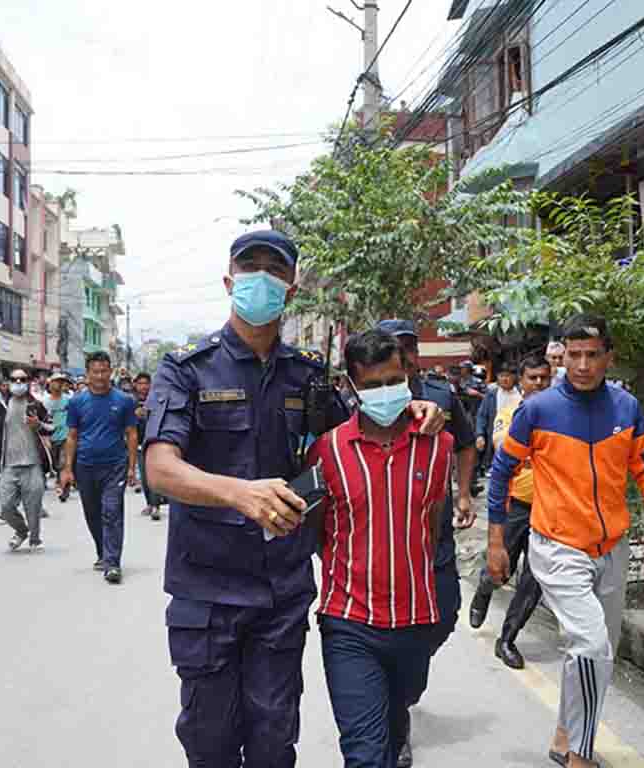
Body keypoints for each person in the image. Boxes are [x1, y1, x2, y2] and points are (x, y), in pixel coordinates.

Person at [144, 231, 442, 768]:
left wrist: (419, 415)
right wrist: (239, 494)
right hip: (206, 592)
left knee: (274, 741)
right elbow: (160, 468)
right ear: (229, 281)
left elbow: (362, 436)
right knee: (209, 742)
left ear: (292, 288)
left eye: (274, 269)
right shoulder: (186, 370)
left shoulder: (308, 375)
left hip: (279, 592)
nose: (261, 277)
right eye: (250, 266)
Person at [487, 314, 644, 768]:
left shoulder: (625, 408)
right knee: (590, 647)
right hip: (556, 546)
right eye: (574, 355)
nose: (583, 364)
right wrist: (496, 540)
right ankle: (582, 757)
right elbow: (503, 470)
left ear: (609, 356)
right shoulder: (538, 410)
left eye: (592, 355)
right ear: (562, 355)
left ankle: (564, 736)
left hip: (611, 549)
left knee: (592, 653)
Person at [310, 330, 454, 768]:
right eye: (371, 385)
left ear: (408, 374)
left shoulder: (438, 445)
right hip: (349, 625)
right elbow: (320, 534)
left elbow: (431, 524)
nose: (384, 392)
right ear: (351, 388)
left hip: (415, 623)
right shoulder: (328, 450)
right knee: (366, 757)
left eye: (392, 380)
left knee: (392, 740)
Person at [375, 318, 477, 768]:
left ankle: (407, 684)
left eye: (408, 346)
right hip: (385, 537)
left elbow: (468, 443)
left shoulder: (439, 394)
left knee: (446, 612)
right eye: (393, 347)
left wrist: (463, 491)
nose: (403, 354)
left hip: (434, 533)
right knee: (392, 634)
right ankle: (395, 730)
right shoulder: (365, 396)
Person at [468, 354, 552, 669]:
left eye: (545, 378)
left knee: (534, 578)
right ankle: (484, 589)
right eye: (533, 378)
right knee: (500, 568)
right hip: (515, 504)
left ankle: (507, 639)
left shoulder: (563, 415)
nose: (540, 384)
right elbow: (503, 445)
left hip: (549, 511)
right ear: (521, 381)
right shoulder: (509, 413)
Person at [60, 351, 138, 584]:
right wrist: (67, 468)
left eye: (105, 370)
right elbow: (72, 436)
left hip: (115, 465)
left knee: (112, 511)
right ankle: (103, 553)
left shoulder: (124, 401)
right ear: (88, 373)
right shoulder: (76, 402)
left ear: (110, 371)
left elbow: (132, 434)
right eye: (96, 371)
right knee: (92, 513)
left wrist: (132, 467)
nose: (100, 375)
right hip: (85, 466)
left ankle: (113, 563)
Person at [0, 369, 53, 552]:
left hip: (32, 463)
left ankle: (35, 539)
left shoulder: (36, 405)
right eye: (14, 379)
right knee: (6, 506)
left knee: (33, 506)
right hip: (8, 464)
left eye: (22, 379)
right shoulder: (1, 406)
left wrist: (38, 425)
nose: (18, 382)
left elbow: (51, 427)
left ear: (28, 382)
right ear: (8, 382)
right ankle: (22, 531)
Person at [475, 363, 521, 478]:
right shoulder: (492, 395)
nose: (504, 379)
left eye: (508, 376)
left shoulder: (522, 393)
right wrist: (480, 435)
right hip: (496, 444)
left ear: (514, 377)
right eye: (501, 376)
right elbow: (481, 416)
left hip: (518, 440)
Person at [132, 372, 162, 521]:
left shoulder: (156, 399)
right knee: (144, 477)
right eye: (140, 383)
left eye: (146, 383)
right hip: (138, 444)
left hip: (154, 443)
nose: (143, 387)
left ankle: (156, 505)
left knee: (153, 476)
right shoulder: (131, 402)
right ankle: (149, 503)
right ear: (135, 385)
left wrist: (149, 413)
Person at [43, 373, 71, 481]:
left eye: (61, 382)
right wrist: (45, 438)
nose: (59, 384)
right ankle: (60, 478)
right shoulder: (44, 401)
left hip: (66, 435)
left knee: (63, 461)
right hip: (51, 436)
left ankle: (63, 484)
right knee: (55, 462)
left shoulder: (69, 400)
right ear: (50, 384)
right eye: (56, 381)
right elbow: (42, 421)